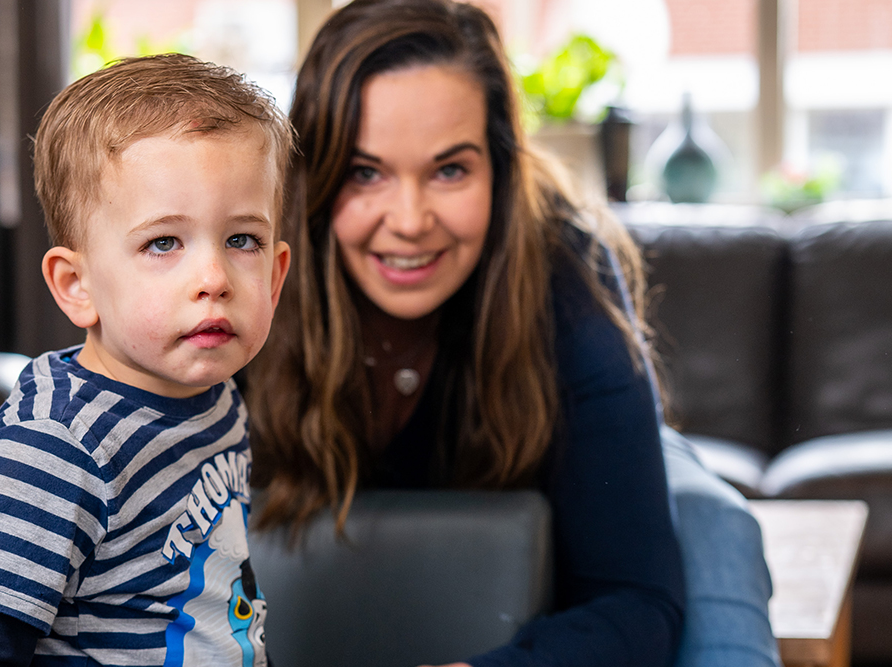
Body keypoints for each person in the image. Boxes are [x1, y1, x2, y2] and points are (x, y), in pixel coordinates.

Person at [244, 1, 781, 666]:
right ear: (314, 180)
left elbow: (635, 601)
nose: (410, 220)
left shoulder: (566, 275)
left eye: (450, 170)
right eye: (365, 172)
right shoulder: (245, 275)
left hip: (583, 488)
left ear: (498, 171)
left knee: (708, 520)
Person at [0, 54, 292, 667]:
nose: (214, 278)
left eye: (241, 240)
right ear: (76, 285)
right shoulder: (55, 444)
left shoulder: (216, 397)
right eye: (163, 242)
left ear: (275, 276)